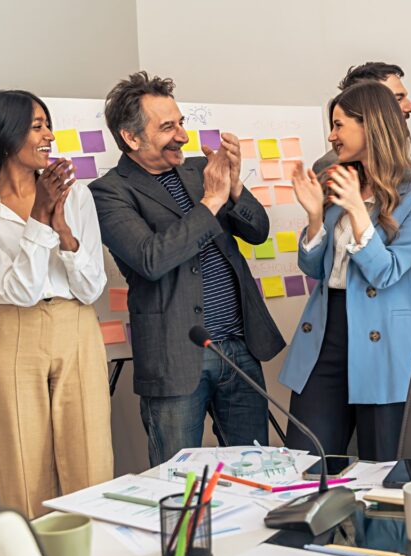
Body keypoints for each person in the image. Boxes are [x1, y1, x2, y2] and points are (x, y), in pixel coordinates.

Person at [91, 72, 285, 467]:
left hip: (239, 349)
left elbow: (258, 231)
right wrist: (212, 202)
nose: (182, 135)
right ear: (131, 138)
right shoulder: (109, 192)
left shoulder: (201, 170)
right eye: (167, 127)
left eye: (180, 122)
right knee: (179, 483)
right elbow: (151, 259)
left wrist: (232, 189)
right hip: (175, 359)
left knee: (257, 471)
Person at [0, 91, 112, 517]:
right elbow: (19, 290)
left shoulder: (77, 196)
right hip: (14, 332)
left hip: (77, 326)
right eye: (37, 126)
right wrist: (39, 219)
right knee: (22, 471)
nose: (48, 136)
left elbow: (92, 289)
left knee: (90, 463)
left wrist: (65, 234)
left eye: (46, 124)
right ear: (4, 136)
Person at [279, 81, 411, 461]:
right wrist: (316, 216)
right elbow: (313, 268)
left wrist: (356, 209)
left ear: (370, 124)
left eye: (339, 125)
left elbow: (386, 273)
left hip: (384, 338)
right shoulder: (336, 180)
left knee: (380, 470)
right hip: (325, 333)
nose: (332, 135)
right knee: (306, 464)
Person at [313, 62, 411, 338]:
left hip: (401, 325)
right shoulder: (334, 171)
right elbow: (342, 263)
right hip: (358, 327)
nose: (409, 106)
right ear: (369, 108)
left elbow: (407, 260)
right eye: (397, 98)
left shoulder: (408, 176)